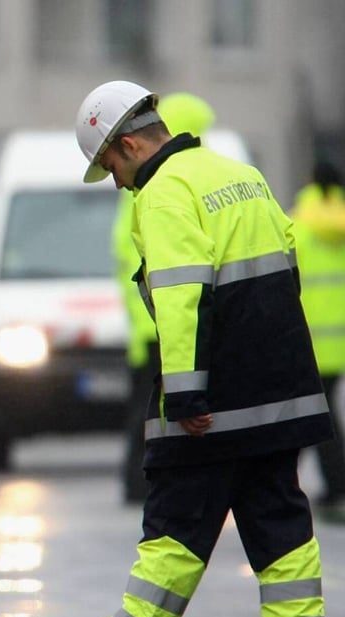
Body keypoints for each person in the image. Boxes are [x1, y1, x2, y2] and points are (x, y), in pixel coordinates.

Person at [37, 80, 337, 617]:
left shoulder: (164, 192)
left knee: (174, 530)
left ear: (126, 144)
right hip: (281, 391)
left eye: (111, 167)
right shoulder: (240, 173)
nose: (119, 183)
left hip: (215, 399)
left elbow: (180, 299)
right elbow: (286, 264)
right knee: (282, 532)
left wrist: (187, 395)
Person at [111, 92, 217, 503]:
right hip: (162, 324)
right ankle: (141, 481)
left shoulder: (153, 187)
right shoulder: (160, 190)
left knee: (152, 408)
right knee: (154, 410)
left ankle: (144, 481)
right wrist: (150, 324)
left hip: (154, 321)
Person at [291, 161, 345, 506]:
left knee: (311, 417)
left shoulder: (296, 223)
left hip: (308, 340)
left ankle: (335, 483)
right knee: (320, 413)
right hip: (339, 342)